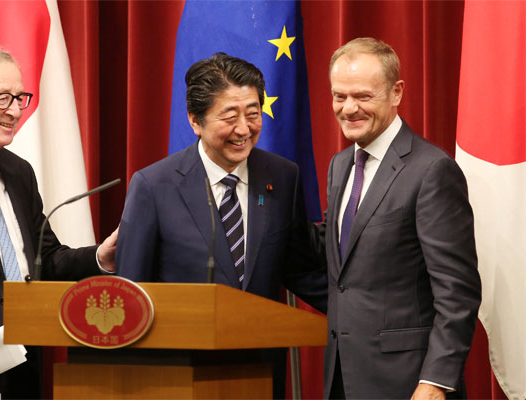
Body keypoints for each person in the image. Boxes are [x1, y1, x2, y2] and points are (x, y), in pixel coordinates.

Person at [115, 53, 328, 398]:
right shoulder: (154, 186)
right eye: (230, 117)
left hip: (261, 374)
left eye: (253, 114)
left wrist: (361, 312)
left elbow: (299, 267)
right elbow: (132, 293)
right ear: (195, 121)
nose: (244, 129)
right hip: (179, 379)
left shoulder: (282, 177)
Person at [0, 46, 118, 399]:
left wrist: (100, 258)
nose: (15, 111)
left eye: (20, 98)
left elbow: (46, 260)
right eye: (3, 98)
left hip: (23, 367)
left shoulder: (18, 172)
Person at [313, 37, 482, 399]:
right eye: (339, 96)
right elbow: (339, 263)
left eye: (362, 96)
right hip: (342, 378)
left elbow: (457, 292)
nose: (348, 108)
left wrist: (436, 380)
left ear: (396, 92)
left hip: (408, 384)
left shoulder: (432, 170)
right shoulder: (340, 165)